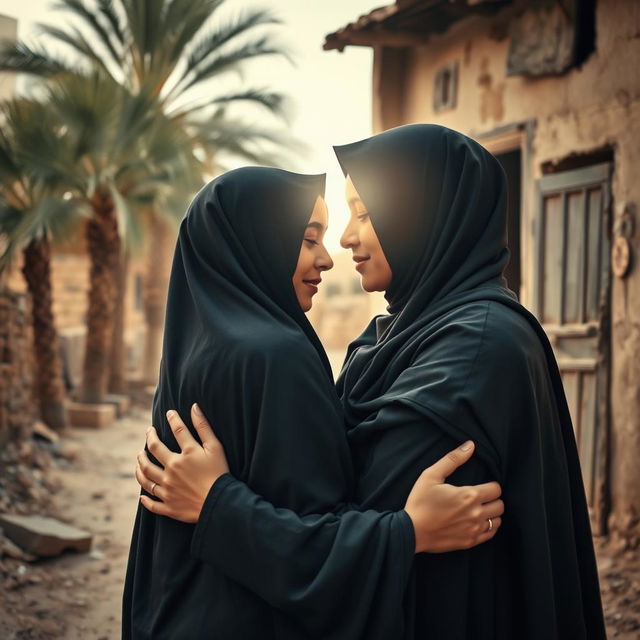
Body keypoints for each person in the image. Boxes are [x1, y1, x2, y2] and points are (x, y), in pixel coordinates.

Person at [137, 125, 606, 639]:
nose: (345, 239)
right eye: (313, 233)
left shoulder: (475, 349)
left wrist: (219, 505)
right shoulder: (390, 335)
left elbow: (376, 506)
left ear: (420, 213)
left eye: (364, 212)